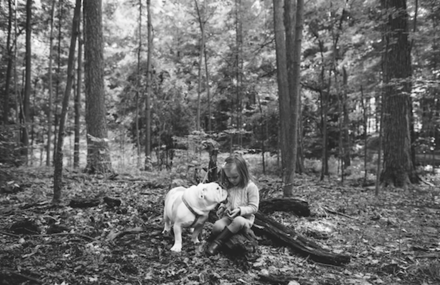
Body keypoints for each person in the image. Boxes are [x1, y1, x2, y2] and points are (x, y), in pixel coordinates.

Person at [206, 153, 259, 255]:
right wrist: (223, 207)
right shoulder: (229, 186)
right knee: (217, 226)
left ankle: (218, 242)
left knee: (238, 221)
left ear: (243, 173)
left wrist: (240, 210)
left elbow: (254, 207)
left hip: (244, 220)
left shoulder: (251, 187)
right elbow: (227, 202)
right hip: (229, 218)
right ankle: (225, 235)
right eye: (229, 177)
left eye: (235, 177)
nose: (232, 180)